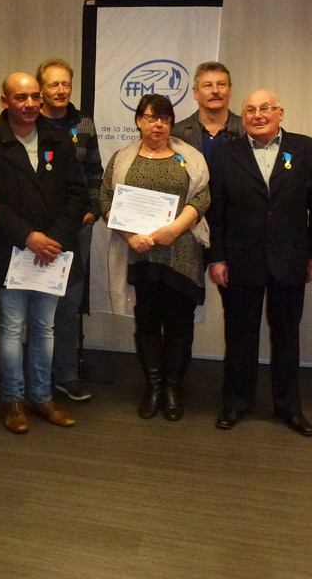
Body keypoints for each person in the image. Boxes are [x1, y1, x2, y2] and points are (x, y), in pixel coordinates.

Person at [207, 90, 312, 436]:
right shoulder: (226, 154)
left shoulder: (308, 149)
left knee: (287, 337)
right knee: (240, 337)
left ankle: (289, 407)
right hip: (239, 261)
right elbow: (216, 212)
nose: (257, 115)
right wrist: (216, 258)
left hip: (290, 259)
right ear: (243, 117)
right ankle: (236, 403)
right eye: (250, 110)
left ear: (281, 113)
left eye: (265, 108)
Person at [0, 72, 87, 434]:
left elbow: (77, 195)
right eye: (20, 98)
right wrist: (28, 236)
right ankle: (14, 401)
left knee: (44, 327)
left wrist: (52, 239)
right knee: (10, 328)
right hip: (13, 249)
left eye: (34, 97)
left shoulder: (59, 139)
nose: (30, 104)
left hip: (52, 251)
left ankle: (42, 397)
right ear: (5, 101)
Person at [100, 94, 209, 421]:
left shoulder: (190, 158)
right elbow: (105, 198)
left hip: (181, 252)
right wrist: (128, 236)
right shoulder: (122, 158)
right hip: (140, 253)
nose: (158, 124)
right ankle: (154, 387)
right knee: (147, 321)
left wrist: (174, 229)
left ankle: (173, 389)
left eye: (164, 118)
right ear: (138, 121)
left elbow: (203, 197)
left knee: (180, 323)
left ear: (171, 122)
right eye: (150, 117)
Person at [37, 57, 103, 403]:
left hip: (78, 228)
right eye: (54, 84)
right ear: (41, 89)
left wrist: (93, 210)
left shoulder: (84, 123)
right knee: (39, 306)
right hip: (41, 231)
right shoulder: (30, 123)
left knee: (69, 305)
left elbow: (95, 172)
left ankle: (65, 375)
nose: (61, 90)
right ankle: (37, 377)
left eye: (66, 83)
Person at [171, 61, 245, 164]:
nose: (215, 91)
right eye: (208, 85)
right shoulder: (176, 134)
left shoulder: (246, 130)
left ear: (230, 90)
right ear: (195, 92)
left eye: (221, 84)